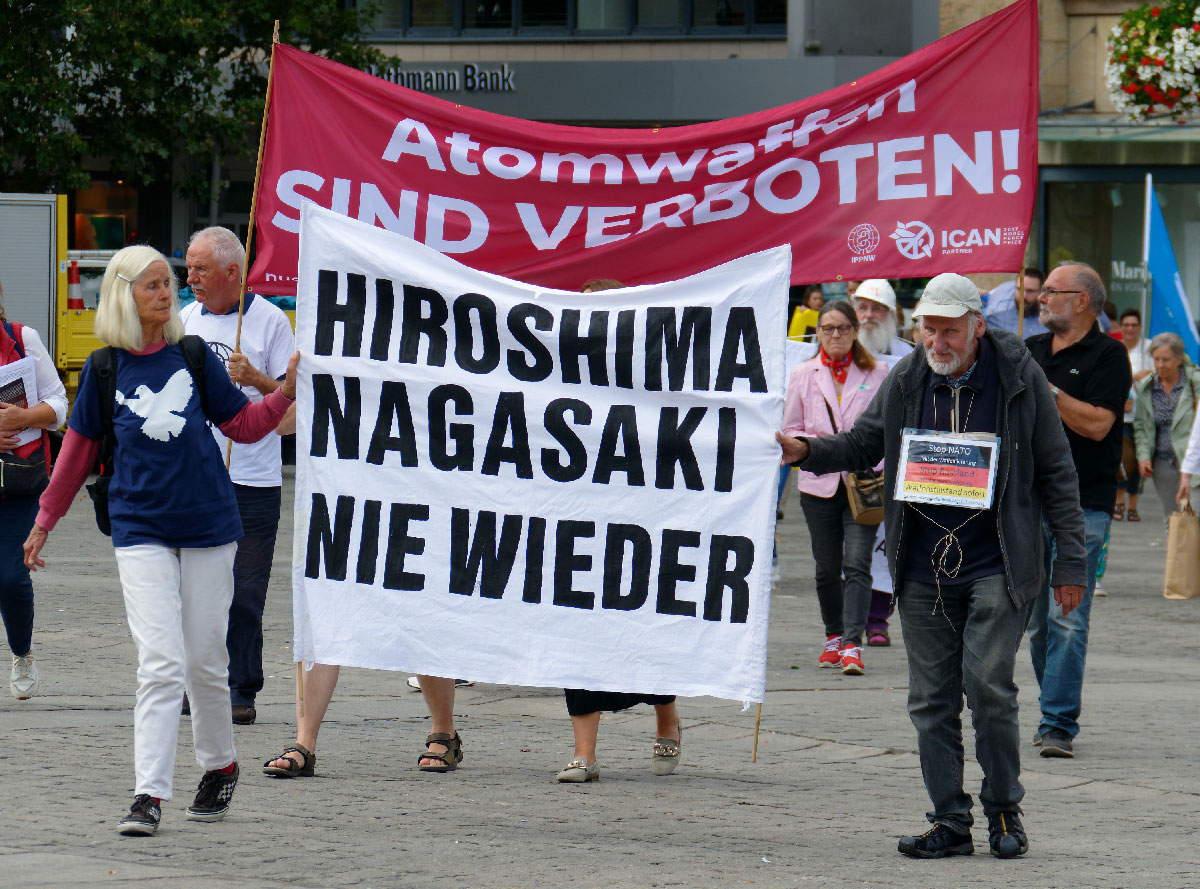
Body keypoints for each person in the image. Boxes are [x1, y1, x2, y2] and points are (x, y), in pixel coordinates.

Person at [776, 273, 1086, 860]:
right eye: (928, 330)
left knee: (989, 687)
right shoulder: (909, 377)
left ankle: (1003, 811)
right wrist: (808, 451)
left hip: (997, 562)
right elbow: (864, 443)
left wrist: (1070, 562)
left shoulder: (1019, 379)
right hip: (921, 566)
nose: (936, 342)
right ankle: (949, 820)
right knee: (929, 699)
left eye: (948, 331)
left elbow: (1058, 474)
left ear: (976, 324)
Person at [22, 245, 299, 836]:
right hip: (139, 526)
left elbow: (244, 426)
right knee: (161, 663)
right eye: (152, 284)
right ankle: (149, 793)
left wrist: (284, 393)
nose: (166, 291)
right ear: (125, 294)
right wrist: (45, 522)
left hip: (209, 524)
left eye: (167, 283)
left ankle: (220, 765)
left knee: (205, 661)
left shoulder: (193, 354)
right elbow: (75, 456)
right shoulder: (103, 368)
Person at [554, 277, 683, 783]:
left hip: (641, 515)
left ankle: (667, 716)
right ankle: (584, 752)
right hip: (577, 514)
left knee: (646, 623)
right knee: (577, 628)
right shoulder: (557, 373)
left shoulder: (652, 371)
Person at [180, 226, 296, 726]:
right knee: (196, 590)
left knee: (245, 591)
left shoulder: (270, 323)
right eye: (188, 268)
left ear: (233, 272)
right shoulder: (183, 321)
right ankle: (199, 682)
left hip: (253, 479)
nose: (191, 279)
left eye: (201, 269)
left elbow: (294, 413)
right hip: (196, 477)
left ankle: (240, 687)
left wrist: (258, 382)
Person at [1025, 262, 1131, 759]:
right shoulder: (1029, 351)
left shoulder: (1110, 355)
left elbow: (1097, 425)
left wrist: (1045, 391)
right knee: (1037, 622)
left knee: (1068, 616)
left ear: (1082, 301)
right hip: (1025, 504)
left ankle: (1057, 723)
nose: (1041, 298)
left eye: (1051, 291)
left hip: (1083, 506)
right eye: (1041, 291)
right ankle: (1054, 707)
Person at [782, 300, 889, 675]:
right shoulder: (803, 373)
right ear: (818, 333)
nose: (835, 335)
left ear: (856, 331)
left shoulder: (878, 372)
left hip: (864, 480)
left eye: (842, 328)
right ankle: (833, 633)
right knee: (826, 568)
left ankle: (851, 644)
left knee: (857, 563)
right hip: (818, 481)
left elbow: (886, 430)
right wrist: (809, 450)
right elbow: (792, 426)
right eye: (827, 328)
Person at [0, 281, 68, 700]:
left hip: (18, 481)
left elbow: (59, 407)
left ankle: (21, 651)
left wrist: (24, 415)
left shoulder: (22, 339)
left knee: (10, 578)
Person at [852, 279, 914, 646]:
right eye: (863, 307)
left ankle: (878, 620)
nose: (869, 316)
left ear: (892, 315)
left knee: (886, 545)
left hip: (894, 467)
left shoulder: (909, 357)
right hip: (845, 466)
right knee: (849, 548)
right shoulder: (832, 352)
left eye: (878, 309)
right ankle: (847, 623)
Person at [1133, 332, 1200, 515]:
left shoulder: (1195, 383)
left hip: (1193, 462)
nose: (1160, 365)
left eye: (1166, 360)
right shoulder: (1148, 387)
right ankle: (1175, 546)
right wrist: (1144, 456)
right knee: (1173, 519)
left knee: (1194, 515)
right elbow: (1141, 427)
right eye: (1156, 359)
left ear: (1179, 359)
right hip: (1163, 463)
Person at [1116, 309, 1152, 520]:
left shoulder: (1148, 348)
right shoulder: (1116, 348)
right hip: (1122, 414)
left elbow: (1160, 368)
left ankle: (1133, 504)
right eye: (1126, 325)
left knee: (1140, 459)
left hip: (1143, 413)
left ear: (1139, 327)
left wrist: (1144, 375)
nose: (1130, 329)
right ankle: (1119, 501)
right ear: (1121, 327)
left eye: (1134, 325)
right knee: (1122, 458)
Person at [982, 269, 1047, 338]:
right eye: (1019, 289)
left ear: (1042, 292)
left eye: (1030, 291)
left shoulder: (1051, 313)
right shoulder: (999, 306)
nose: (1023, 296)